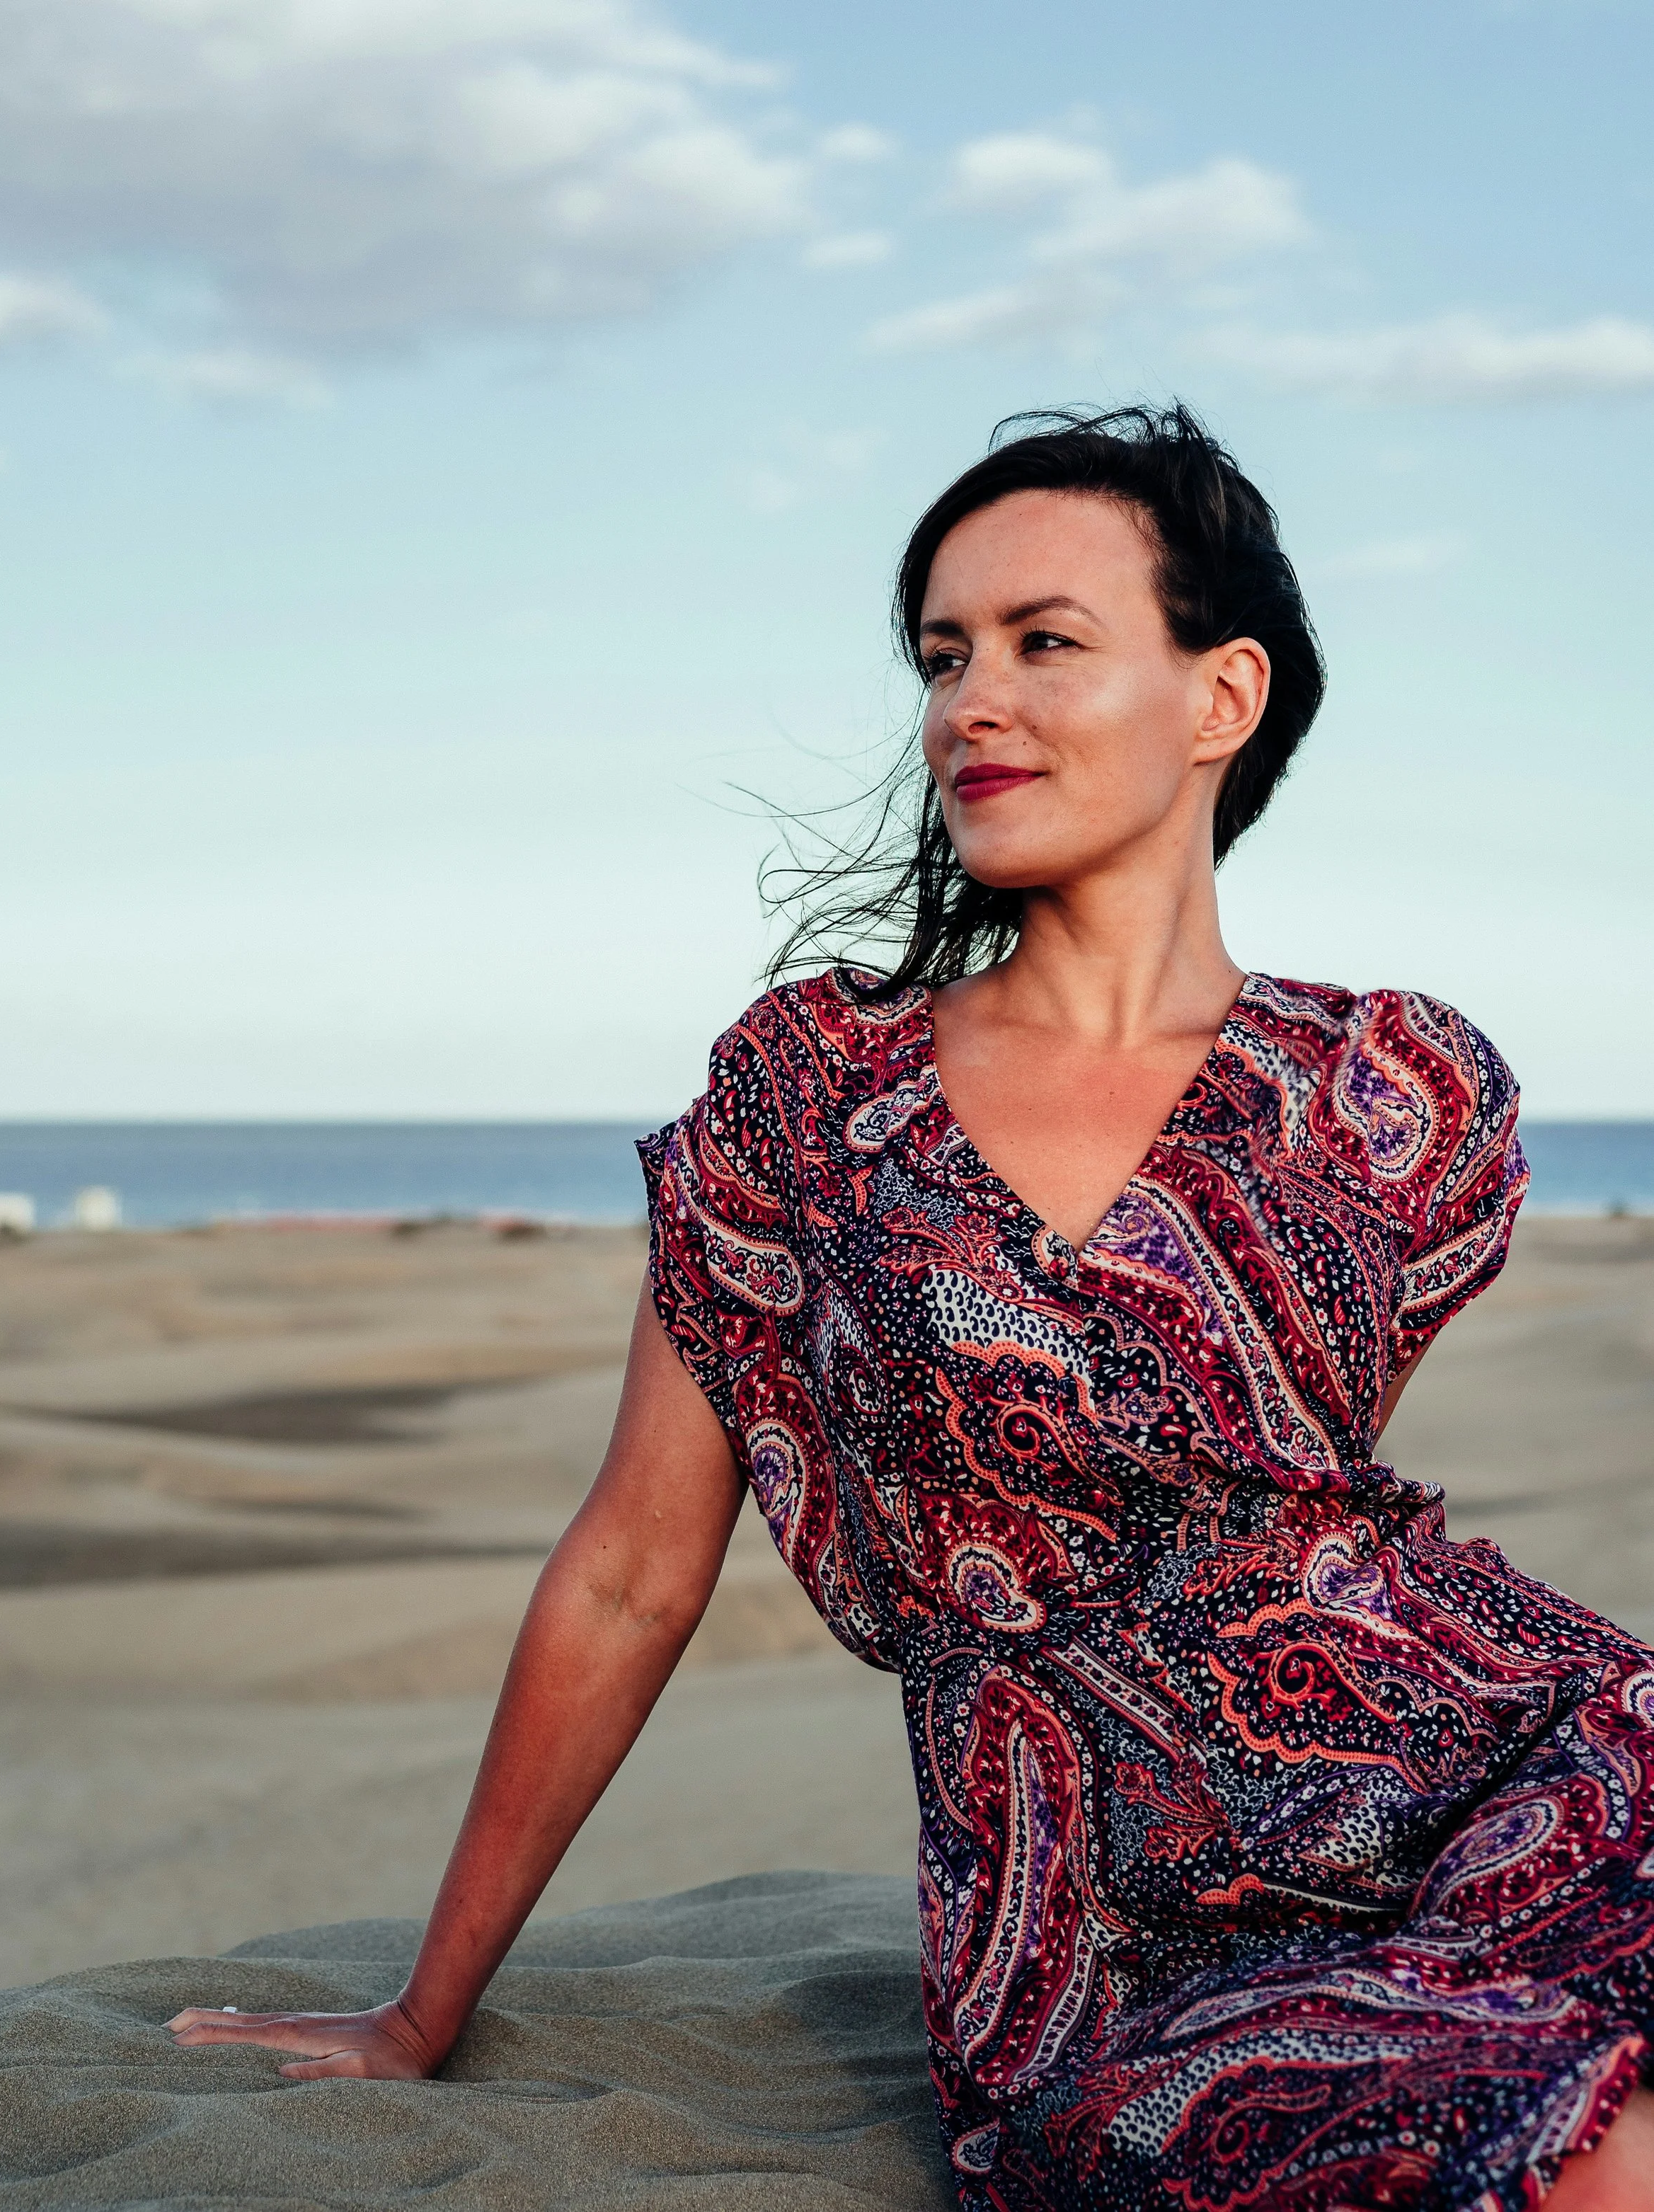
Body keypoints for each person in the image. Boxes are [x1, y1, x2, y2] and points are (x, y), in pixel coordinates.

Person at [170, 406, 1654, 2209]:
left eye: (1043, 641)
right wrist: (422, 2008)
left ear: (1218, 697)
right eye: (941, 654)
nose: (967, 701)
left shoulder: (1393, 1087)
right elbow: (636, 1564)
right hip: (1103, 1932)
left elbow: (1290, 1516)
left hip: (1530, 1759)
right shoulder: (807, 1093)